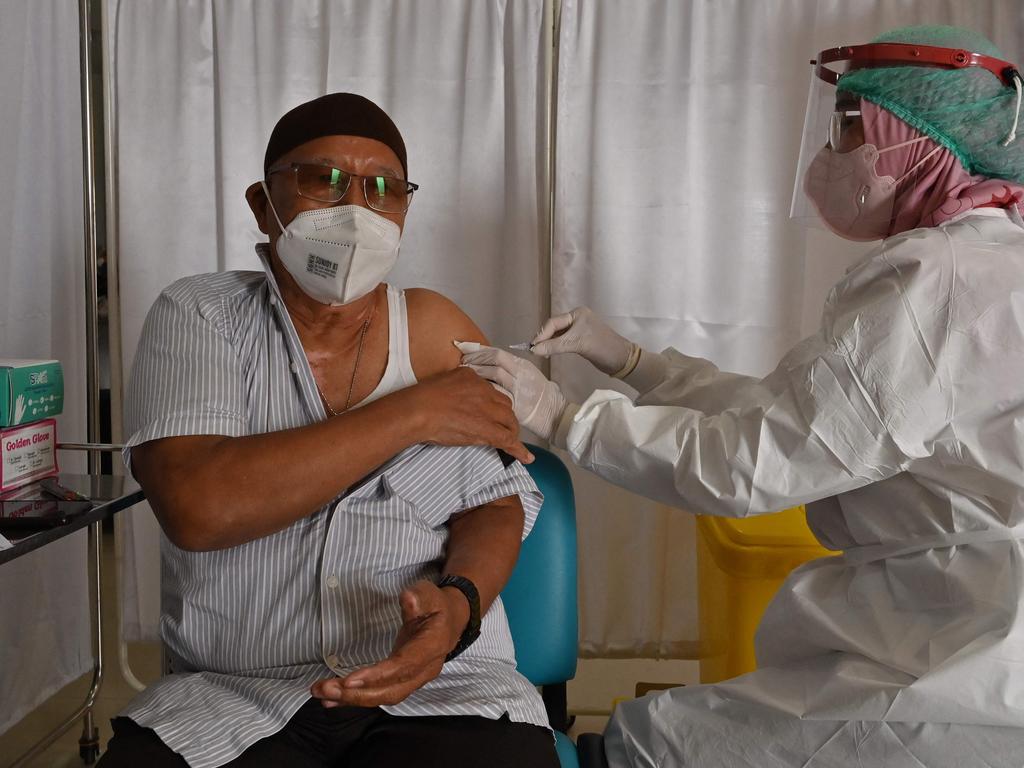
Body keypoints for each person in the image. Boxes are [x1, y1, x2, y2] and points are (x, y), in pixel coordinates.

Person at [463, 25, 1024, 767]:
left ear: (916, 140)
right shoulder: (994, 262)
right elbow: (794, 413)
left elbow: (750, 465)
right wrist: (629, 361)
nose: (831, 153)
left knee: (652, 747)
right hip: (958, 619)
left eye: (852, 128)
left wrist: (563, 416)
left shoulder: (932, 282)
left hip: (963, 651)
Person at [99, 93, 558, 768]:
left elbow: (493, 498)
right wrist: (411, 412)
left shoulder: (433, 328)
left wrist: (458, 609)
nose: (355, 210)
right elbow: (200, 507)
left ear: (405, 208)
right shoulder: (201, 316)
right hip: (236, 694)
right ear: (264, 202)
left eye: (383, 189)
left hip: (442, 685)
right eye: (325, 180)